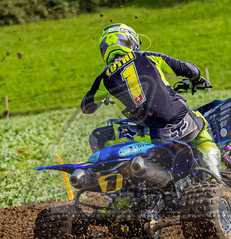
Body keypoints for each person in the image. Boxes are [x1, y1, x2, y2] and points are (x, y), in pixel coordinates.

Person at [81, 22, 222, 180]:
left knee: (98, 136)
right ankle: (214, 178)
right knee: (203, 132)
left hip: (154, 137)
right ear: (130, 41)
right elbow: (190, 70)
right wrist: (196, 79)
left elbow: (86, 107)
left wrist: (101, 98)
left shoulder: (103, 79)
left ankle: (118, 182)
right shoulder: (148, 56)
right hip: (184, 124)